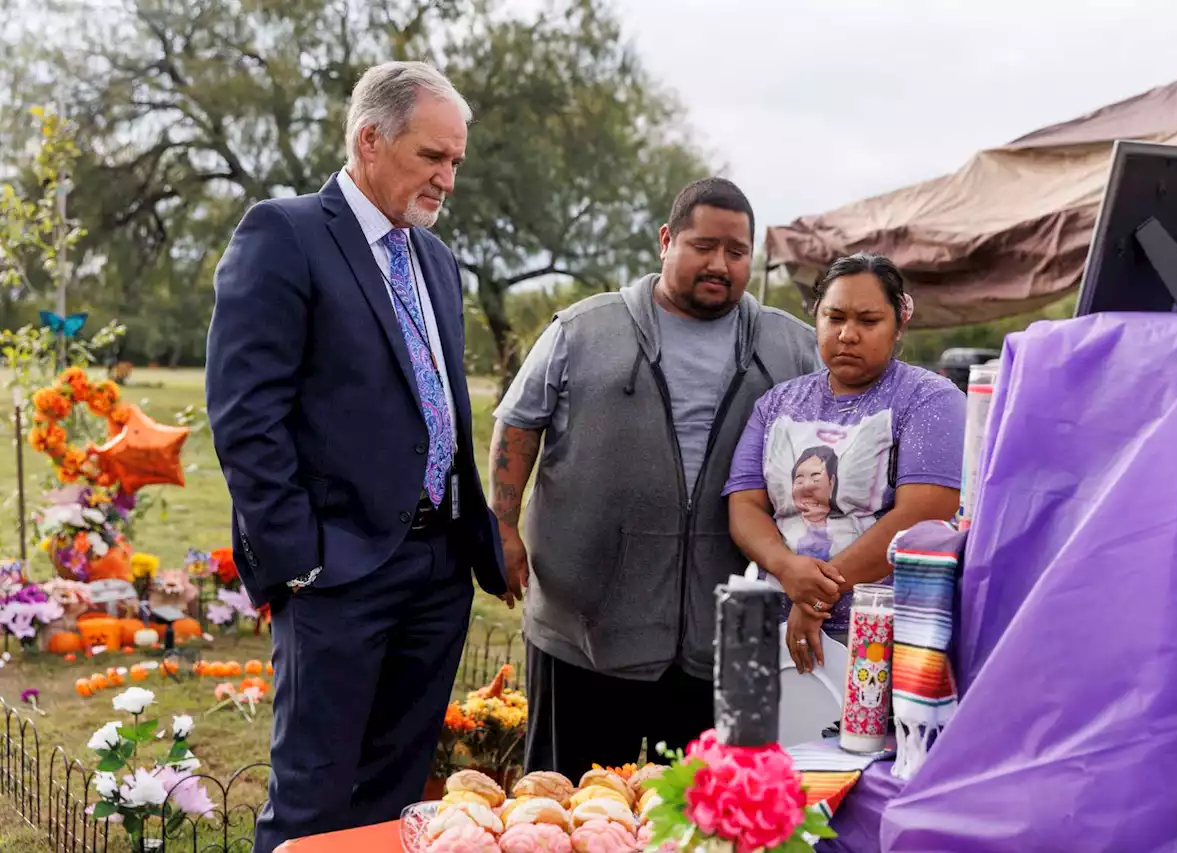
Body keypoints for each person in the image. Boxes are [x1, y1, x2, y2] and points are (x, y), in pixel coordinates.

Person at [205, 61, 507, 852]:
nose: (447, 178)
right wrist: (300, 560)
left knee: (396, 799)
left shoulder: (436, 260)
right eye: (431, 157)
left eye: (455, 162)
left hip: (437, 570)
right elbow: (246, 416)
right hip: (338, 571)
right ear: (370, 139)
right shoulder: (286, 233)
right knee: (313, 799)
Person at [489, 177, 818, 779]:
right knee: (569, 815)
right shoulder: (583, 330)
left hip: (723, 639)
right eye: (703, 246)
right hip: (584, 630)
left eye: (737, 252)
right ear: (666, 240)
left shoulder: (792, 347)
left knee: (702, 824)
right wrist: (504, 526)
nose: (720, 264)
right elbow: (517, 423)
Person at [723, 253, 964, 673]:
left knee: (862, 741)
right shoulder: (778, 403)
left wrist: (815, 597)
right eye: (834, 318)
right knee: (771, 737)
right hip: (773, 629)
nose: (847, 335)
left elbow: (922, 515)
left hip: (878, 639)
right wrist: (786, 569)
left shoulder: (928, 399)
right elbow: (744, 504)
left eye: (868, 321)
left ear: (898, 323)